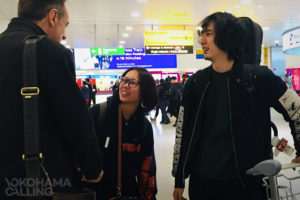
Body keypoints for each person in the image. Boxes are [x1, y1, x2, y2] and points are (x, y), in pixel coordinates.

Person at [172, 12, 300, 200]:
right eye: (202, 34)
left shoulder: (259, 78)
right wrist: (179, 178)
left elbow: (296, 110)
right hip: (203, 183)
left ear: (227, 37)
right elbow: (183, 131)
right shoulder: (196, 83)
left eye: (208, 33)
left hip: (248, 182)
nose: (202, 40)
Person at [0, 0, 103, 199]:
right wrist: (93, 169)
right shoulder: (50, 52)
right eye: (66, 25)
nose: (64, 34)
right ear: (53, 16)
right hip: (39, 182)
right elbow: (76, 123)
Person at [90, 67, 158, 199]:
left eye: (132, 82)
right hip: (95, 192)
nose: (125, 85)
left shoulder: (144, 127)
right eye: (124, 80)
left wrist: (150, 196)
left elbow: (147, 168)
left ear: (145, 90)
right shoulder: (99, 113)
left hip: (126, 192)